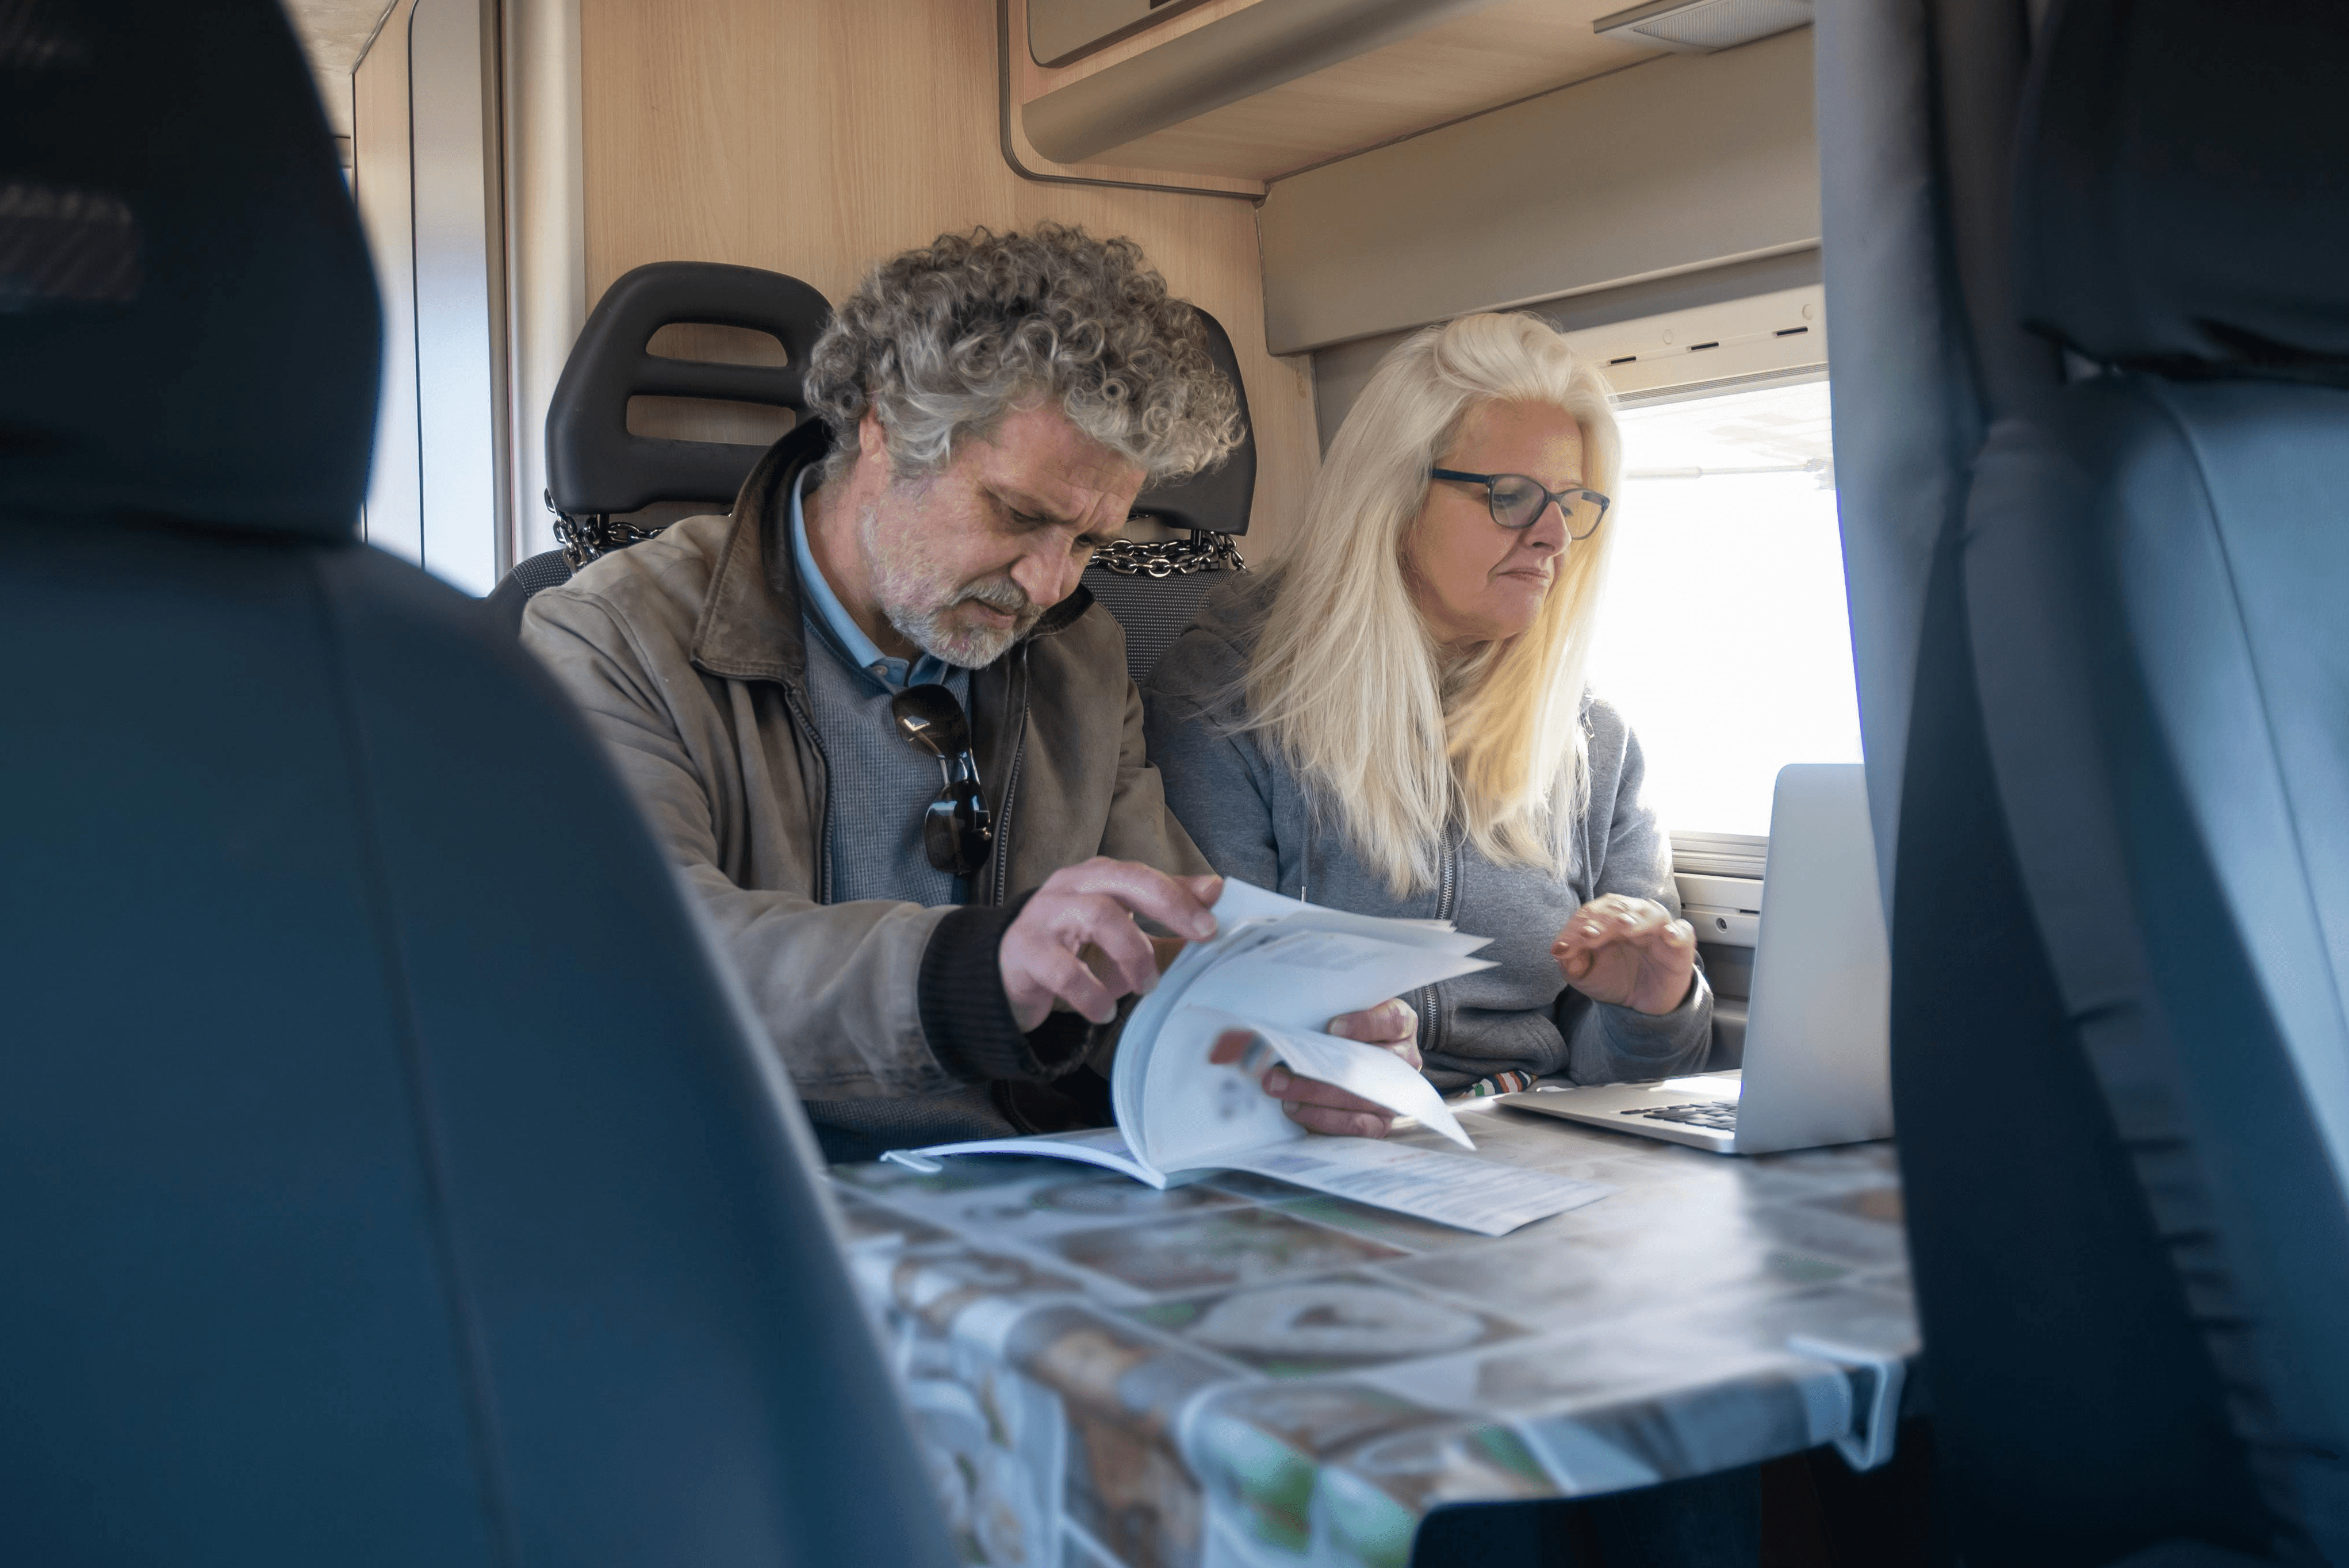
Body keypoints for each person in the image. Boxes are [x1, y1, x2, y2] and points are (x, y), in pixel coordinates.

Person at [523, 225, 1416, 1160]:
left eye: (1089, 543)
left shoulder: (1081, 658)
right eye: (1018, 515)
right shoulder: (612, 636)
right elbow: (641, 953)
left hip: (1020, 1185)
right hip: (735, 1184)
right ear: (882, 421)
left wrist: (1285, 1045)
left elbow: (1155, 957)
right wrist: (975, 973)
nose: (1048, 586)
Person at [1146, 311, 1714, 1137]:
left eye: (1573, 503)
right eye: (1514, 497)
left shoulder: (1590, 734)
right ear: (1396, 495)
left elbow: (1619, 1081)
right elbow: (1203, 1016)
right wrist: (1332, 1061)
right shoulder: (1234, 696)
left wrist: (1652, 1008)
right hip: (1322, 1145)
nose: (1554, 536)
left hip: (1539, 1137)